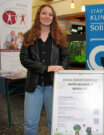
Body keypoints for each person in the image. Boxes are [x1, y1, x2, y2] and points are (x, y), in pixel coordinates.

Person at [20, 4, 70, 135]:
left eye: (50, 14)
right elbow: (24, 59)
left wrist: (62, 68)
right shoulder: (28, 36)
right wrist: (46, 68)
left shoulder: (60, 36)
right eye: (44, 13)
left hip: (54, 86)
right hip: (33, 86)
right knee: (30, 124)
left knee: (54, 122)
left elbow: (66, 58)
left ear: (53, 18)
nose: (47, 16)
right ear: (38, 15)